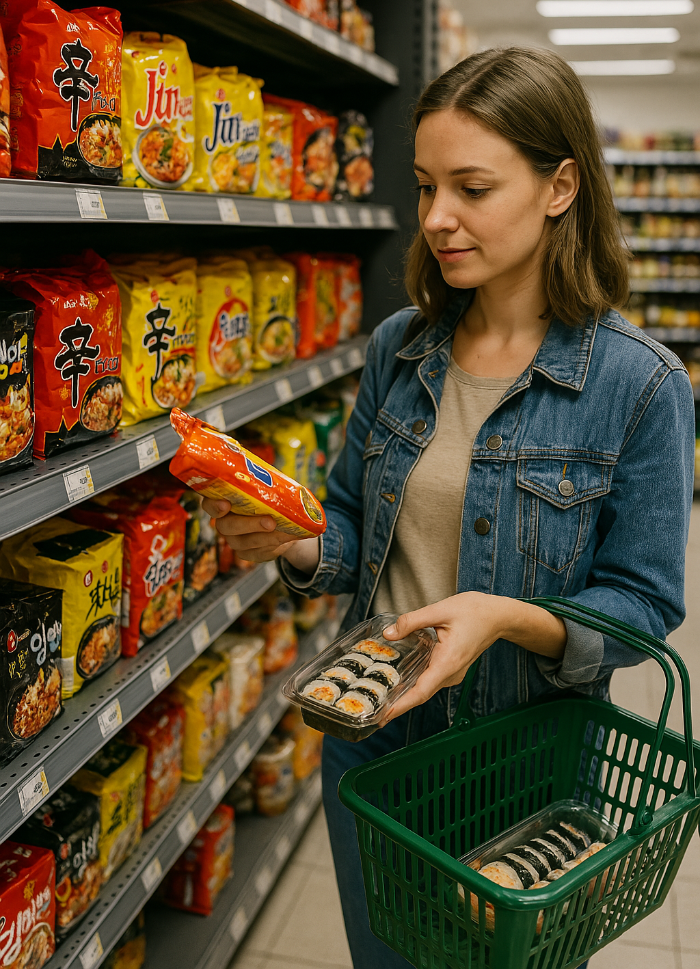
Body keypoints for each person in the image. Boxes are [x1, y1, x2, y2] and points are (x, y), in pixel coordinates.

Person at [205, 47, 695, 969]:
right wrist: (304, 542)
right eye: (427, 184)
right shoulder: (400, 347)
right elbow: (353, 529)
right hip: (377, 745)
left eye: (472, 186)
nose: (436, 218)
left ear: (560, 186)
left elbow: (644, 608)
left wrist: (503, 617)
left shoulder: (641, 385)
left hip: (528, 768)